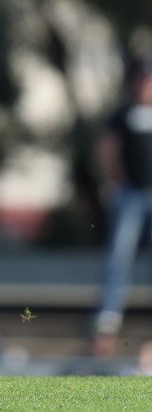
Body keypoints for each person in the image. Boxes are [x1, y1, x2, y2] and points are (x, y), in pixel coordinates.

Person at [90, 57, 152, 357]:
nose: (144, 85)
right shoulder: (123, 113)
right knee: (119, 257)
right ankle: (109, 316)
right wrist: (114, 179)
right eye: (141, 79)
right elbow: (106, 148)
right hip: (129, 194)